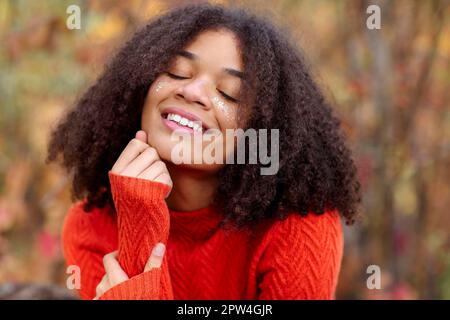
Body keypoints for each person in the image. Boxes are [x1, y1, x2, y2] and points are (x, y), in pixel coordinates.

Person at [47, 4, 361, 300]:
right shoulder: (91, 226)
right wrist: (139, 222)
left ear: (260, 130)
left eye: (229, 93)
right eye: (177, 72)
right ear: (138, 87)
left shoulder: (298, 223)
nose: (193, 92)